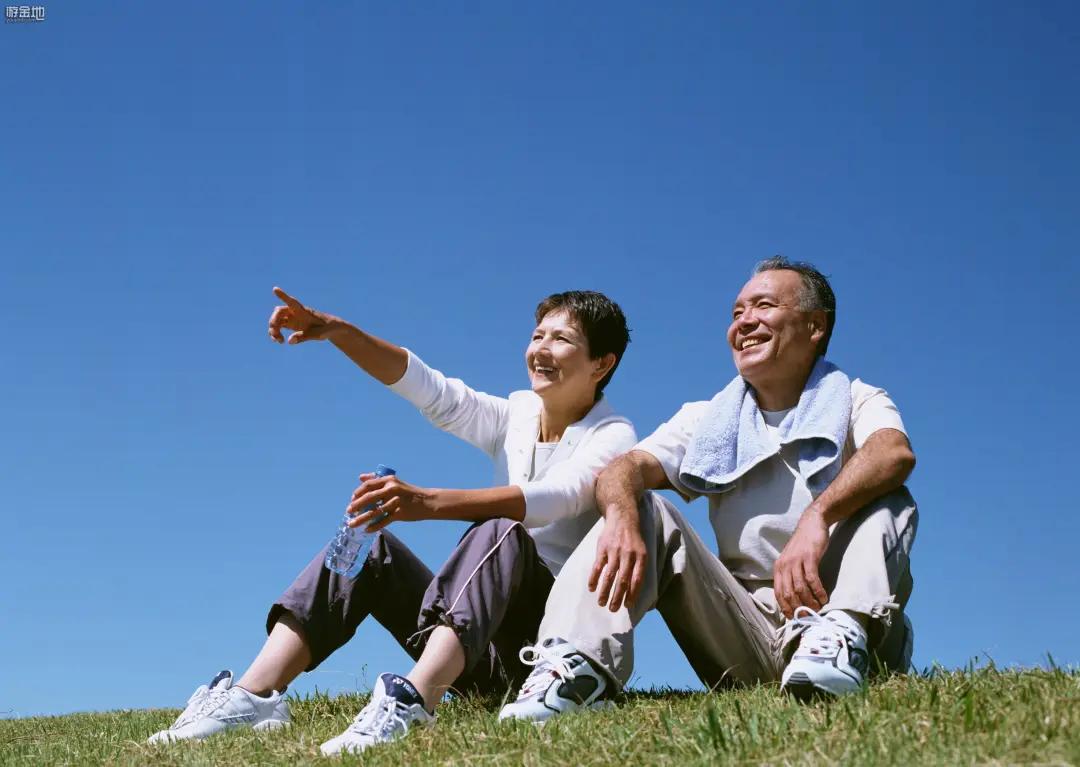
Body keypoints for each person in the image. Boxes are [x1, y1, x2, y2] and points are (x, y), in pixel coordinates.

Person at [148, 287, 636, 753]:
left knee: (501, 529)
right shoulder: (519, 415)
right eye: (537, 336)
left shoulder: (613, 435)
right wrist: (341, 333)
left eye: (562, 339)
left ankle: (414, 701)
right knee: (373, 547)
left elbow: (554, 497)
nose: (541, 349)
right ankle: (252, 698)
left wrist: (426, 502)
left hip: (541, 659)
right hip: (471, 636)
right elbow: (433, 390)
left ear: (602, 364)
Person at [499, 257, 918, 722]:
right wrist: (621, 518)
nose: (745, 322)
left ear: (815, 326)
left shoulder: (858, 398)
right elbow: (623, 469)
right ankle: (573, 670)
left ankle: (839, 641)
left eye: (763, 306)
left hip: (849, 629)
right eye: (737, 312)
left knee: (889, 498)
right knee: (639, 505)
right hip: (749, 633)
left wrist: (816, 516)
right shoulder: (710, 419)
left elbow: (893, 454)